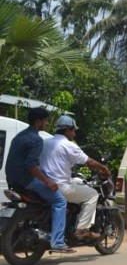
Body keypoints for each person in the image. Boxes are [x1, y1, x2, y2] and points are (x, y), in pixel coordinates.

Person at [5, 107, 75, 253]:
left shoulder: (20, 136)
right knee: (60, 201)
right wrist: (47, 181)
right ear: (38, 122)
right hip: (27, 180)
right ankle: (58, 242)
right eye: (46, 120)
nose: (47, 123)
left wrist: (45, 177)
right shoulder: (36, 139)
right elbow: (31, 166)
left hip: (13, 181)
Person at [40, 115, 111, 240]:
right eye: (73, 131)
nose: (74, 134)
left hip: (43, 184)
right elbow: (89, 162)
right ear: (68, 130)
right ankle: (82, 229)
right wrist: (104, 168)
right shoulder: (69, 145)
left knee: (77, 181)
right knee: (92, 194)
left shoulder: (45, 142)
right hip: (59, 186)